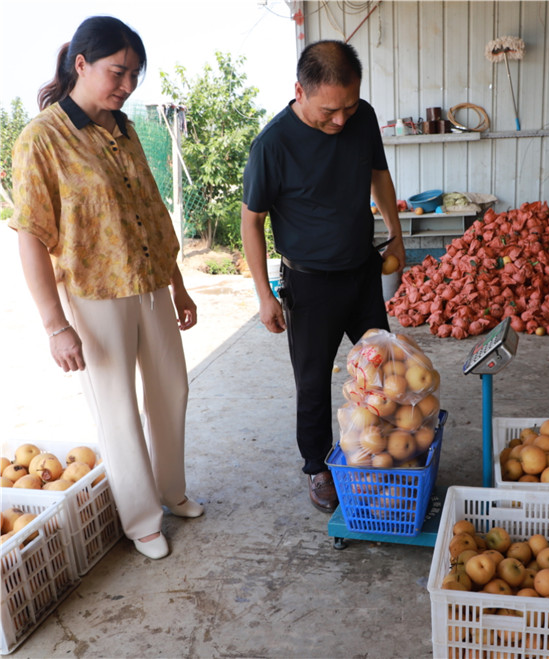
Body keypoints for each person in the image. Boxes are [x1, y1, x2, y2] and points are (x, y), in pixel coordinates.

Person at [10, 16, 203, 560]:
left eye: (135, 75)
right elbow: (30, 235)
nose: (127, 85)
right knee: (116, 406)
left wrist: (179, 286)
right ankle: (142, 518)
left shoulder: (124, 128)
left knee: (172, 390)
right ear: (80, 64)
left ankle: (172, 491)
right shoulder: (42, 138)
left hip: (148, 283)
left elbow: (152, 214)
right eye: (118, 72)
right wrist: (55, 325)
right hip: (95, 294)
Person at [241, 40, 405, 513]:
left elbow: (380, 175)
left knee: (384, 372)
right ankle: (317, 466)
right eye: (329, 110)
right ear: (300, 90)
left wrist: (395, 235)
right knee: (312, 383)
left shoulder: (363, 117)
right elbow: (251, 221)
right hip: (309, 284)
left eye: (349, 106)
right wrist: (264, 296)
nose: (340, 120)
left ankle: (386, 451)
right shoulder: (272, 144)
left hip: (361, 272)